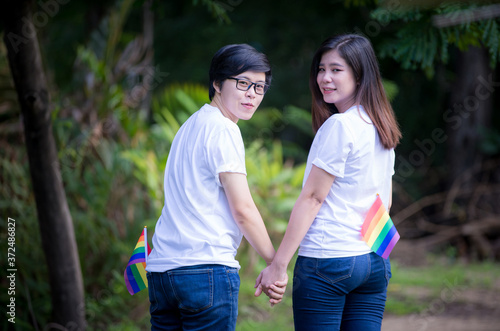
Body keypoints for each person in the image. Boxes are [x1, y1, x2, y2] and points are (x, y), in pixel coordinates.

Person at [255, 34, 402, 330]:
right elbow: (383, 198)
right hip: (374, 260)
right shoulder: (381, 125)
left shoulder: (340, 125)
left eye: (336, 70)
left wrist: (279, 265)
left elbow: (312, 199)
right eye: (321, 69)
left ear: (360, 75)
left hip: (329, 259)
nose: (325, 78)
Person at [146, 44, 287, 330]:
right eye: (243, 83)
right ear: (217, 83)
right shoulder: (224, 128)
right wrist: (276, 263)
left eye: (259, 87)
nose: (252, 94)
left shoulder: (189, 126)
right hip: (205, 271)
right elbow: (244, 210)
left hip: (162, 271)